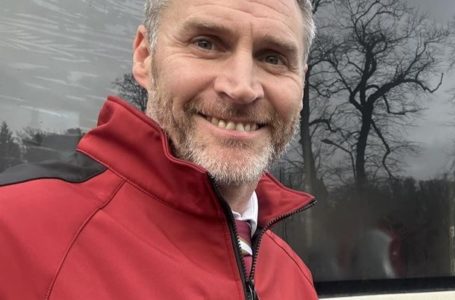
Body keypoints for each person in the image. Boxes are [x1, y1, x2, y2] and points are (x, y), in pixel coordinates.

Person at [0, 0, 317, 298]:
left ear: (301, 84)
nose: (242, 88)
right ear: (144, 56)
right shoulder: (13, 232)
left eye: (273, 57)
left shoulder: (295, 278)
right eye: (206, 43)